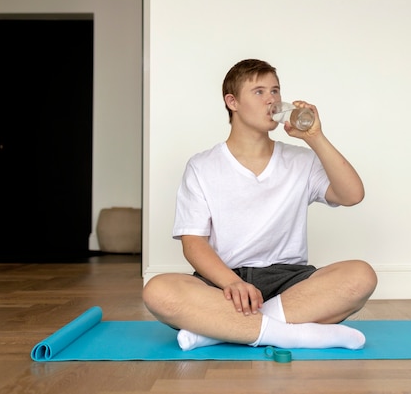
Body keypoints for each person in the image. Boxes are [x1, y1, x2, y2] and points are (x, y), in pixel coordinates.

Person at [143, 59, 377, 351]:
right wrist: (231, 283)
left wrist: (315, 137)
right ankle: (293, 334)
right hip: (224, 283)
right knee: (158, 291)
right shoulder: (202, 166)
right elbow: (193, 244)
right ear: (233, 102)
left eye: (276, 91)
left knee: (360, 276)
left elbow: (352, 194)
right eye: (259, 92)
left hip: (290, 282)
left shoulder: (300, 160)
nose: (272, 100)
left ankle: (217, 330)